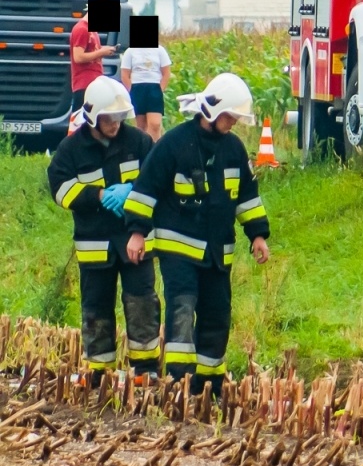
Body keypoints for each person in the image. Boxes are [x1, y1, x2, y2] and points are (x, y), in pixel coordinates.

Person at [122, 72, 271, 393]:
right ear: (213, 112)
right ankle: (180, 381)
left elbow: (247, 196)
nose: (233, 123)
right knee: (182, 310)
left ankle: (210, 383)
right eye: (230, 116)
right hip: (179, 251)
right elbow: (145, 189)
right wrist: (136, 232)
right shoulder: (173, 145)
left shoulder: (234, 149)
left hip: (218, 252)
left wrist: (258, 235)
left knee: (218, 313)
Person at [45, 77, 160, 383]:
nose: (116, 123)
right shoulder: (71, 149)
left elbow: (157, 180)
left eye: (121, 116)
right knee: (96, 307)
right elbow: (60, 189)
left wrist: (132, 191)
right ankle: (99, 370)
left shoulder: (138, 142)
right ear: (93, 116)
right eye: (110, 118)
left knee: (141, 303)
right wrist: (97, 196)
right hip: (94, 242)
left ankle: (146, 369)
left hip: (135, 238)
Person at [120, 41, 173, 139]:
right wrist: (131, 90)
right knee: (141, 126)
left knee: (155, 124)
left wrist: (160, 90)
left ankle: (154, 150)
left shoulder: (159, 50)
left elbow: (166, 73)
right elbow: (124, 75)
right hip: (137, 88)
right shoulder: (130, 51)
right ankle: (143, 150)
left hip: (154, 88)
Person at [69, 15, 118, 112]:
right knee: (81, 121)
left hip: (95, 83)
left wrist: (103, 51)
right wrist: (101, 52)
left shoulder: (93, 31)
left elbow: (92, 53)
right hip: (84, 84)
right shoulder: (81, 29)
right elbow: (78, 57)